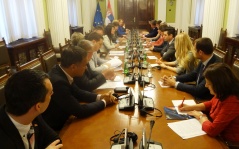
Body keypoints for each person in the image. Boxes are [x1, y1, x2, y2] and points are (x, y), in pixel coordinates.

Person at [42, 46, 116, 131]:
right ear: (73, 67)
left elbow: (78, 92)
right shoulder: (58, 82)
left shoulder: (61, 70)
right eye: (84, 65)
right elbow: (80, 111)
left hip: (67, 117)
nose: (86, 68)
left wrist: (100, 97)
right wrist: (104, 102)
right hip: (58, 128)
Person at [0, 69, 63, 149]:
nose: (53, 94)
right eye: (50, 93)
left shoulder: (31, 113)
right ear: (38, 106)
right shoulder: (3, 141)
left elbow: (56, 141)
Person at [179, 63, 239, 143]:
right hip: (217, 136)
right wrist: (190, 107)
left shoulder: (232, 101)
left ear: (219, 85)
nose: (206, 86)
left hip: (226, 142)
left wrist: (201, 117)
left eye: (209, 83)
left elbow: (212, 130)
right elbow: (211, 103)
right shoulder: (223, 92)